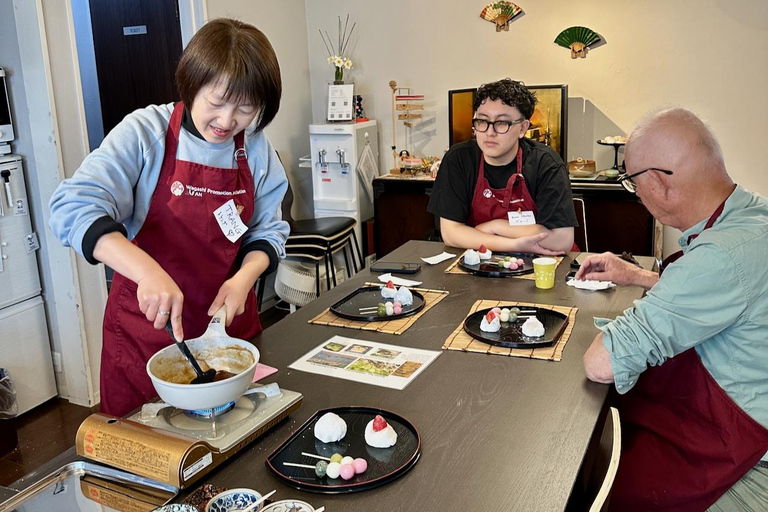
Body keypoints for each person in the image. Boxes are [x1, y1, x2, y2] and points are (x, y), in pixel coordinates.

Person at [48, 19, 289, 417]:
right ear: (193, 82)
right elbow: (72, 206)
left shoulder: (256, 150)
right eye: (217, 101)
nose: (228, 121)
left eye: (245, 108)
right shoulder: (147, 133)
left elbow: (270, 229)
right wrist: (146, 272)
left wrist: (243, 278)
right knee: (147, 458)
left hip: (227, 333)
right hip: (149, 336)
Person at [577, 108, 768, 511]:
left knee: (603, 483)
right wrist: (639, 276)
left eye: (632, 183)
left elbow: (602, 363)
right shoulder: (753, 215)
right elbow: (724, 295)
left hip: (747, 455)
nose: (638, 195)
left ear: (660, 184)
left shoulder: (720, 256)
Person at [427, 78, 577, 254]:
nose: (490, 133)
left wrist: (495, 226)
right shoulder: (459, 159)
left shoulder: (546, 163)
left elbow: (561, 240)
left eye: (501, 123)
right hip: (479, 264)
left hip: (541, 264)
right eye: (482, 121)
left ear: (523, 128)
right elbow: (451, 234)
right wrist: (515, 245)